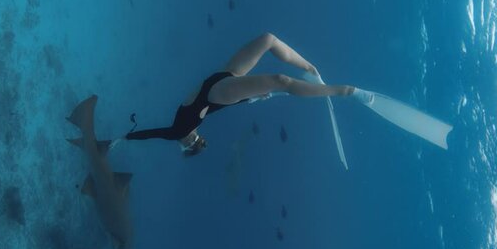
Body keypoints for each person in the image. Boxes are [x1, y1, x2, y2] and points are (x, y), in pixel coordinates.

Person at [120, 33, 355, 156]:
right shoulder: (192, 124)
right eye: (198, 140)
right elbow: (221, 104)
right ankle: (342, 91)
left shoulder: (177, 132)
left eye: (192, 142)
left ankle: (309, 68)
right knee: (280, 81)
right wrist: (249, 97)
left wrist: (123, 139)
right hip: (219, 89)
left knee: (268, 39)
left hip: (221, 79)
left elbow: (151, 134)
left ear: (182, 144)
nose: (193, 138)